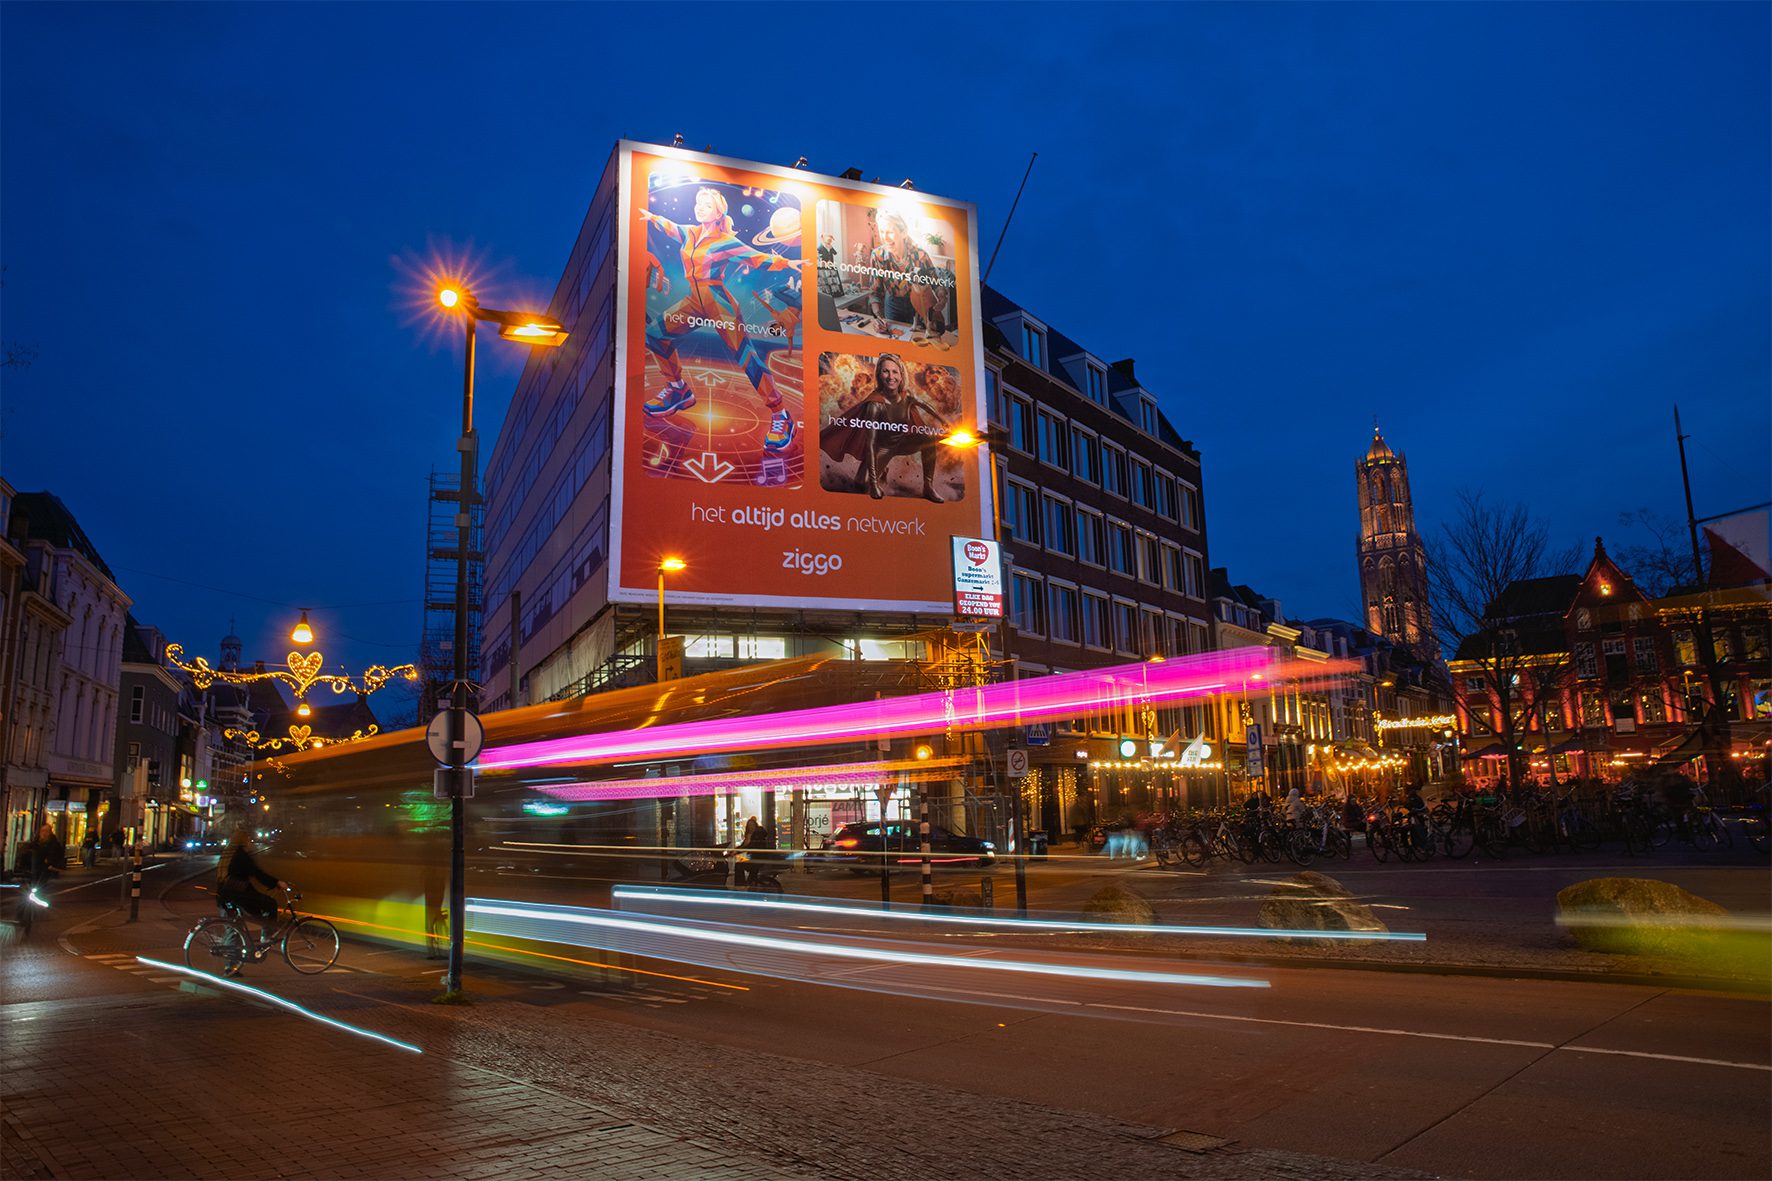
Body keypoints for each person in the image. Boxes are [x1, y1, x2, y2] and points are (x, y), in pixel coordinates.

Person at [639, 187, 801, 452]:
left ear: (718, 212)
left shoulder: (725, 241)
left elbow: (756, 257)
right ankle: (678, 388)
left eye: (706, 204)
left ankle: (780, 414)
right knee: (655, 334)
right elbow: (671, 227)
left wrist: (786, 263)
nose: (699, 207)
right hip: (694, 300)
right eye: (697, 202)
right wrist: (652, 217)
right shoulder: (690, 232)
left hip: (718, 302)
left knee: (745, 356)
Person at [219, 829, 287, 946]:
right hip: (237, 894)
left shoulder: (229, 853)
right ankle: (266, 936)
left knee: (235, 930)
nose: (250, 842)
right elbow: (258, 874)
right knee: (270, 904)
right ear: (244, 841)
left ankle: (232, 961)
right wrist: (277, 882)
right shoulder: (241, 856)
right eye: (248, 840)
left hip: (224, 895)